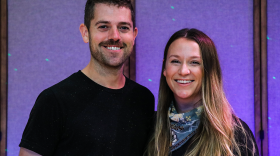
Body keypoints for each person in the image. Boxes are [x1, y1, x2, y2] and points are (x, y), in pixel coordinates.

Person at [19, 0, 155, 155]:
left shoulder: (143, 99)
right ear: (85, 33)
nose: (115, 36)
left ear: (134, 35)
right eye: (103, 26)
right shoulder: (54, 100)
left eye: (123, 28)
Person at [147, 28, 259, 156]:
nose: (183, 71)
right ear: (164, 68)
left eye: (194, 62)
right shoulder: (149, 127)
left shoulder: (236, 135)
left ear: (209, 71)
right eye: (175, 61)